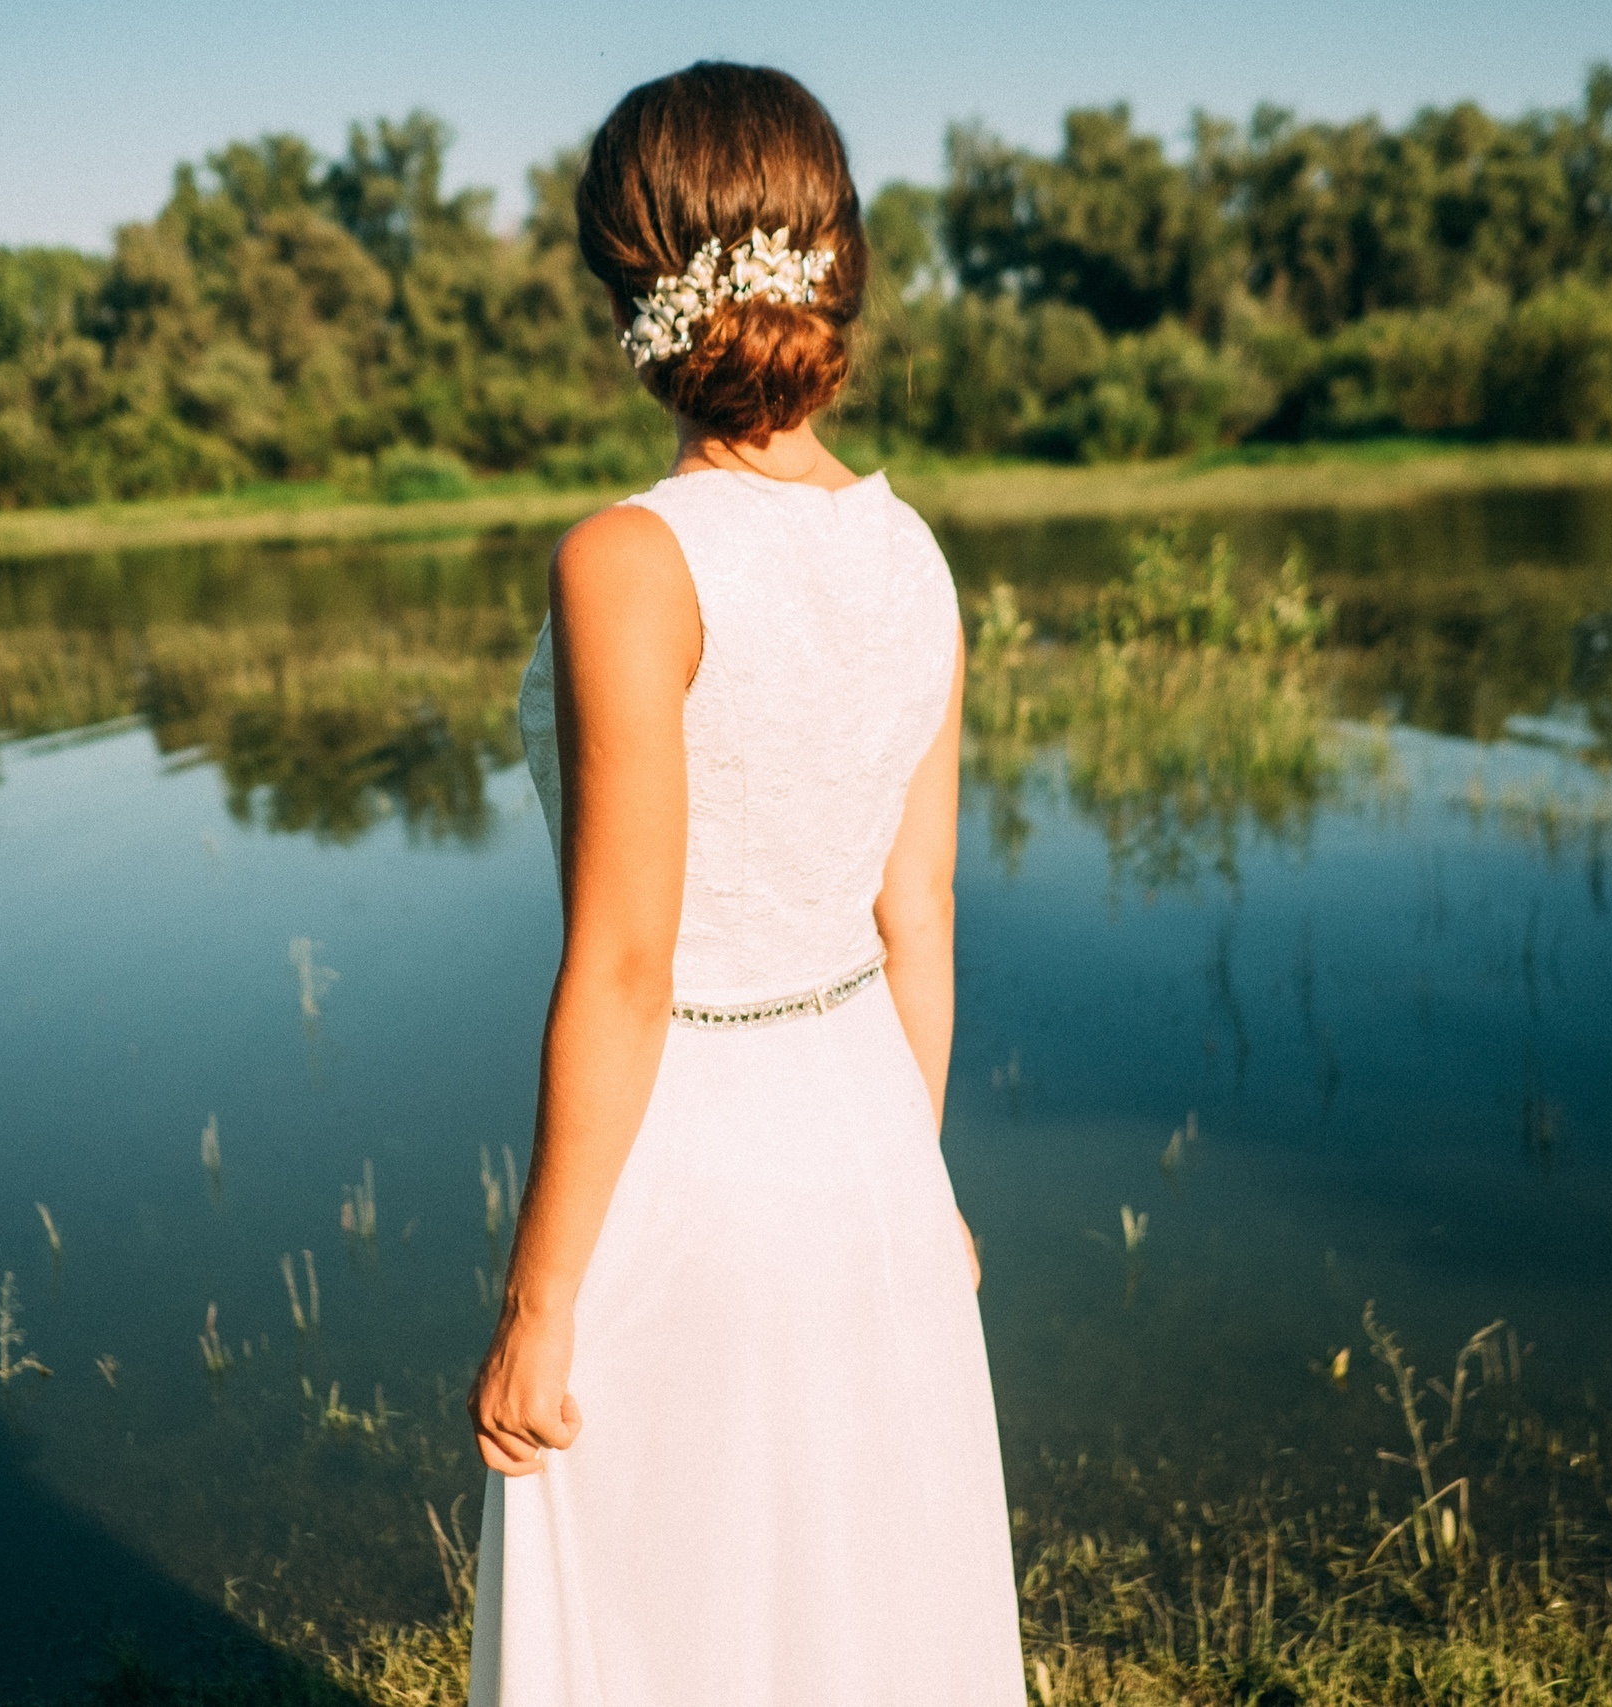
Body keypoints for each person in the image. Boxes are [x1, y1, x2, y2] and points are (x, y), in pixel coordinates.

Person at [465, 61, 1023, 1707]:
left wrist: (540, 1303)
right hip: (868, 1132)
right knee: (850, 1610)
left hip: (693, 1164)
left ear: (630, 286)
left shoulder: (628, 559)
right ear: (836, 259)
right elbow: (918, 913)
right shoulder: (911, 552)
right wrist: (911, 1181)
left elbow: (626, 966)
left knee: (672, 1622)